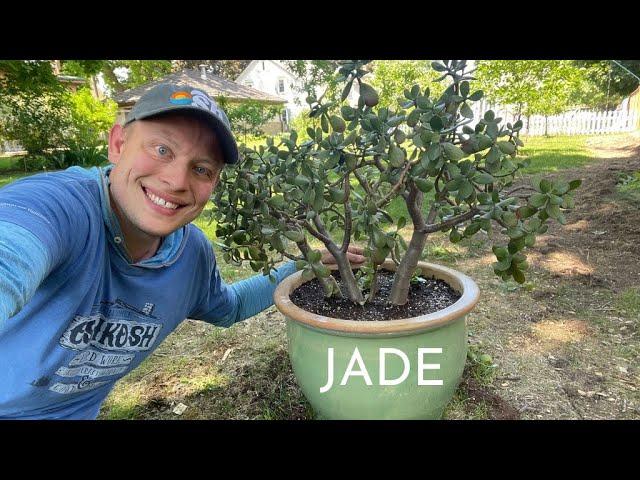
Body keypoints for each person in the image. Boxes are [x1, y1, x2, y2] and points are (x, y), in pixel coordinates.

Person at [0, 82, 365, 419]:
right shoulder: (56, 209)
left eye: (201, 169)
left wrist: (303, 266)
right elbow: (12, 252)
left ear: (214, 184)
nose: (176, 181)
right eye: (161, 149)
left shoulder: (190, 255)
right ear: (117, 144)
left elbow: (228, 307)